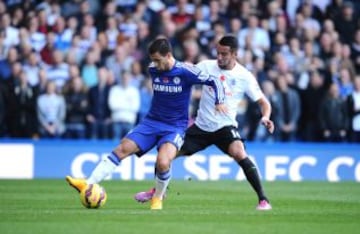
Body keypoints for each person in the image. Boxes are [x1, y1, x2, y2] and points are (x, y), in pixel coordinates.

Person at [65, 37, 227, 210]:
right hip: (151, 122)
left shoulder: (186, 71)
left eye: (158, 60)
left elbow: (215, 81)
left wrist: (220, 101)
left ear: (169, 55)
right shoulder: (153, 68)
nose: (155, 65)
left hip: (174, 127)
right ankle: (87, 184)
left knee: (163, 162)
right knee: (121, 149)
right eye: (153, 61)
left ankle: (157, 198)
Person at [134, 35, 274, 210]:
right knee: (165, 155)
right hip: (201, 127)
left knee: (239, 152)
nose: (220, 57)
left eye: (224, 54)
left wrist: (265, 117)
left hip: (225, 127)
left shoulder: (244, 76)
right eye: (218, 53)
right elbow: (182, 71)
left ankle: (263, 200)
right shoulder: (206, 66)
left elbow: (263, 102)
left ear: (235, 54)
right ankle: (158, 192)